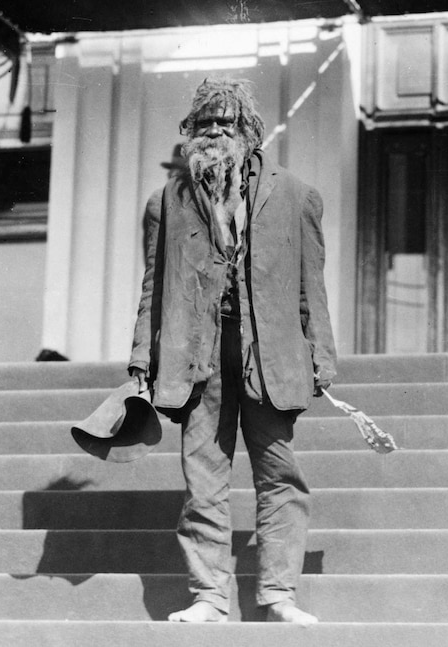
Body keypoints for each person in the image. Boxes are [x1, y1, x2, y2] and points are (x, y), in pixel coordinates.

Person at [129, 77, 337, 624]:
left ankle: (279, 595)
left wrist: (322, 356)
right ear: (188, 133)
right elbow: (154, 287)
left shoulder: (296, 195)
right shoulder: (166, 203)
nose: (215, 132)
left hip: (269, 357)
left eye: (227, 123)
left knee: (280, 475)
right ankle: (209, 597)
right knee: (203, 480)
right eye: (204, 124)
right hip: (194, 356)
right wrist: (139, 362)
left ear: (250, 132)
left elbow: (310, 287)